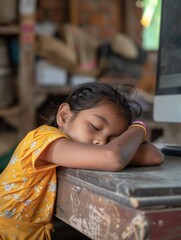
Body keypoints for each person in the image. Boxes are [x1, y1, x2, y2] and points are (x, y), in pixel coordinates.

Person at [0, 82, 164, 239]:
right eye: (95, 126)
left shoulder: (76, 151)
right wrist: (140, 127)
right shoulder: (44, 139)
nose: (101, 142)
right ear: (64, 116)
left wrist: (125, 141)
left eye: (112, 140)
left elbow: (154, 156)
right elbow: (112, 157)